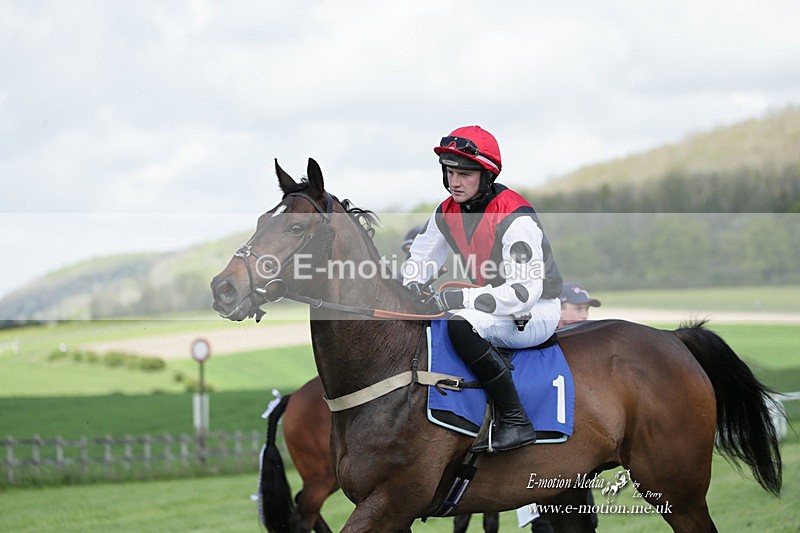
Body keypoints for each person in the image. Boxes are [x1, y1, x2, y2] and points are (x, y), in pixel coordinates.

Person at [403, 125, 563, 452]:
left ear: (485, 175)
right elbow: (420, 260)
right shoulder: (446, 212)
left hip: (534, 311)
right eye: (449, 172)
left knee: (459, 325)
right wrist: (407, 289)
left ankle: (516, 419)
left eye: (464, 173)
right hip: (492, 305)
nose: (454, 182)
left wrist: (458, 296)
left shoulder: (514, 216)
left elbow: (521, 293)